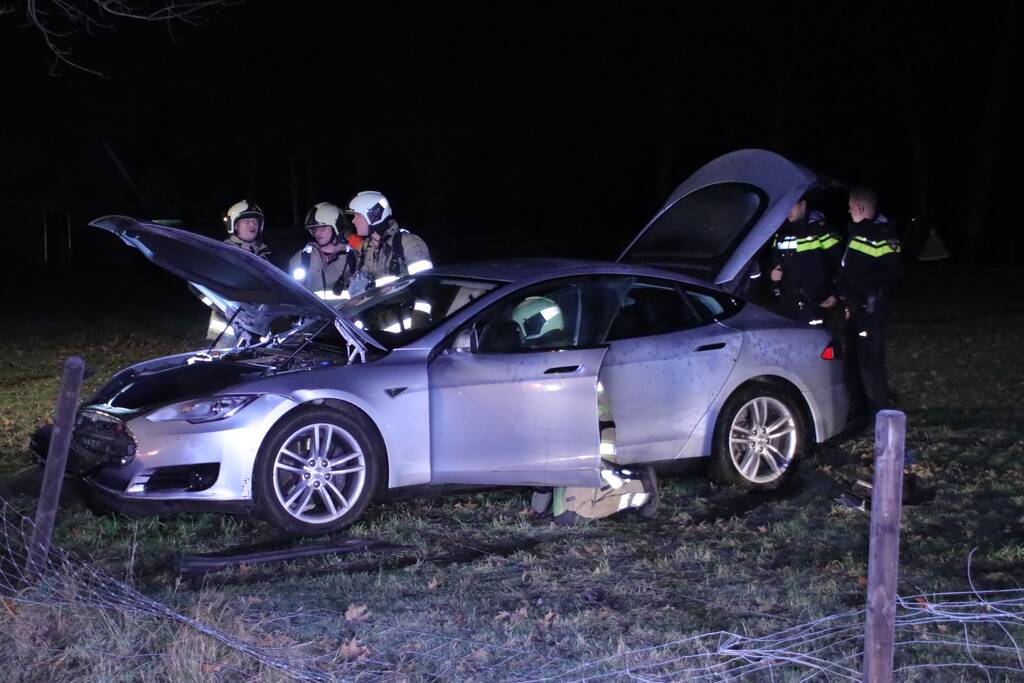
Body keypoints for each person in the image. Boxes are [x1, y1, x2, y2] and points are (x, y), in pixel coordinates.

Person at [836, 186, 903, 435]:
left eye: (851, 207)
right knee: (852, 366)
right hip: (855, 310)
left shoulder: (881, 233)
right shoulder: (859, 231)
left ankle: (883, 421)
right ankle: (858, 418)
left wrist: (864, 296)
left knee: (870, 367)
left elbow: (892, 274)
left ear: (861, 208)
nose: (849, 211)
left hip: (869, 312)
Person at [205, 200, 271, 346]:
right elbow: (202, 287)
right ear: (234, 225)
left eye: (255, 221)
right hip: (226, 325)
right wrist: (221, 307)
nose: (252, 225)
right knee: (219, 362)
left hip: (256, 322)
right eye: (246, 221)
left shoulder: (264, 255)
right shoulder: (222, 253)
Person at [768, 195, 842, 324]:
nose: (788, 210)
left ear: (803, 204)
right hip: (788, 302)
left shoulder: (821, 230)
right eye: (786, 206)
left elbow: (842, 262)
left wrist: (835, 293)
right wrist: (775, 279)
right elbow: (776, 264)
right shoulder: (781, 232)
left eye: (792, 205)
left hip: (815, 302)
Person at [345, 191, 432, 296]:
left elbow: (426, 286)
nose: (353, 221)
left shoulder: (407, 243)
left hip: (405, 309)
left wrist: (419, 313)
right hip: (377, 310)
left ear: (373, 216)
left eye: (357, 216)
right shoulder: (368, 249)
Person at [289, 202, 358, 302]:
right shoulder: (300, 259)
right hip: (312, 316)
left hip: (344, 315)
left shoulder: (353, 257)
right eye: (314, 228)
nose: (317, 232)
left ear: (336, 227)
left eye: (321, 227)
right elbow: (293, 296)